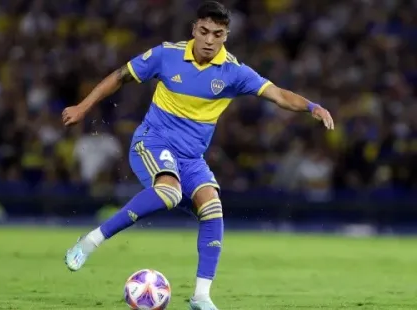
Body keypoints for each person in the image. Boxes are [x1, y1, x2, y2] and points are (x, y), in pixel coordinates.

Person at [62, 1, 334, 309]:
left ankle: (201, 296)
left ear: (225, 36)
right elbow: (120, 76)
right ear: (194, 29)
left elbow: (280, 95)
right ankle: (90, 241)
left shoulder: (234, 72)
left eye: (217, 34)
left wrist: (313, 106)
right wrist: (84, 106)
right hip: (153, 141)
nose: (208, 40)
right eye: (203, 31)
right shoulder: (167, 54)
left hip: (191, 159)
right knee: (169, 192)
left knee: (212, 208)